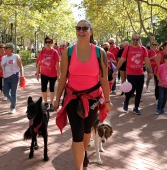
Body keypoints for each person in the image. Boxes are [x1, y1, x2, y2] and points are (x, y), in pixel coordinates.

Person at [53, 19, 113, 170]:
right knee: (77, 135)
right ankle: (78, 167)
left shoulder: (100, 53)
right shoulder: (69, 52)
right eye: (78, 28)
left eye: (85, 28)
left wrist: (107, 100)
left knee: (87, 131)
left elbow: (104, 79)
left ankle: (82, 152)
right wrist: (56, 99)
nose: (81, 31)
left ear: (91, 31)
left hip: (93, 98)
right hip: (73, 98)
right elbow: (62, 78)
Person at [113, 33, 153, 115]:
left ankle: (136, 108)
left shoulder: (143, 49)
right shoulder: (127, 49)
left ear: (139, 40)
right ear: (131, 39)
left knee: (139, 91)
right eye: (133, 39)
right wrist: (116, 70)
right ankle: (126, 101)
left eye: (137, 39)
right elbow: (121, 60)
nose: (135, 41)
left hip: (140, 73)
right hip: (131, 73)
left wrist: (151, 71)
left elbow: (147, 61)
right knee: (131, 89)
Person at [0, 43, 24, 114]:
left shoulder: (16, 56)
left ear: (11, 49)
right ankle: (13, 101)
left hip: (14, 76)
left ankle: (13, 107)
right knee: (5, 91)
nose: (5, 49)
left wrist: (22, 76)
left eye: (6, 48)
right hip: (5, 77)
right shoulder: (3, 58)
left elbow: (21, 66)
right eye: (5, 47)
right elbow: (0, 68)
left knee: (13, 92)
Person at [36, 36, 60, 111]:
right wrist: (37, 73)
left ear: (51, 43)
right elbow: (39, 63)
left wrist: (59, 75)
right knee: (43, 88)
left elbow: (58, 64)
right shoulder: (42, 52)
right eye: (46, 42)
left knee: (51, 89)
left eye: (49, 42)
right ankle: (45, 103)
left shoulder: (54, 52)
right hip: (44, 73)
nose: (48, 44)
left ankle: (51, 104)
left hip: (53, 74)